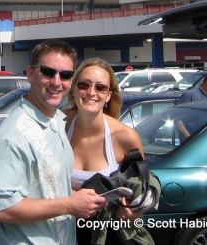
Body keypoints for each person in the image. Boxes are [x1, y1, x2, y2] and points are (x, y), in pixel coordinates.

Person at [0, 39, 107, 245]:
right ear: (30, 74)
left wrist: (86, 200)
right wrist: (70, 205)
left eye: (65, 75)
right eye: (47, 71)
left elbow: (49, 189)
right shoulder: (13, 136)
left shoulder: (56, 122)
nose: (56, 81)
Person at [64, 58, 149, 244]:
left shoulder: (126, 137)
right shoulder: (58, 124)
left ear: (109, 95)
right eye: (84, 85)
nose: (91, 92)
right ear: (74, 88)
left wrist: (133, 208)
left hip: (106, 235)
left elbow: (141, 184)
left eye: (100, 87)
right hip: (60, 232)